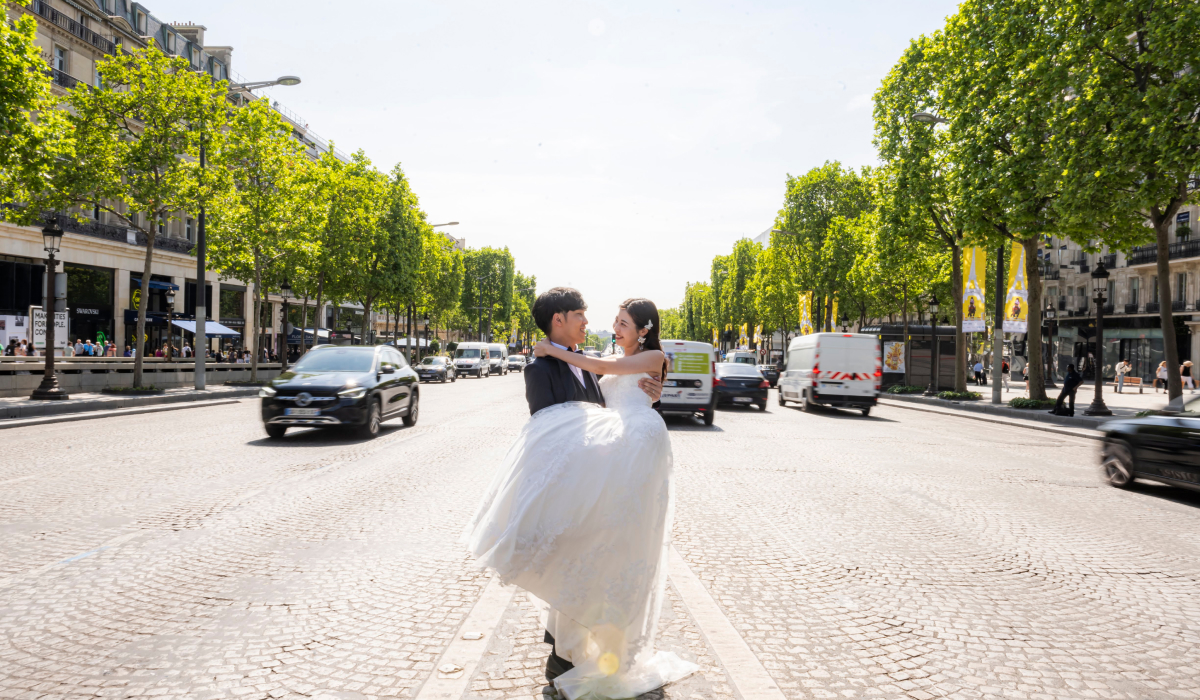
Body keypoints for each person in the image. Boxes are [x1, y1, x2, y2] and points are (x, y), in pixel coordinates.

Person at [464, 289, 694, 700]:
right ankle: (565, 650)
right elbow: (548, 431)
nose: (599, 324)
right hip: (590, 477)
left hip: (625, 465)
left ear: (643, 331)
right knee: (580, 559)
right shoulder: (541, 368)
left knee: (606, 554)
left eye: (621, 322)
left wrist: (650, 397)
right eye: (582, 316)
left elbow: (604, 379)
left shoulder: (619, 359)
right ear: (558, 319)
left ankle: (573, 653)